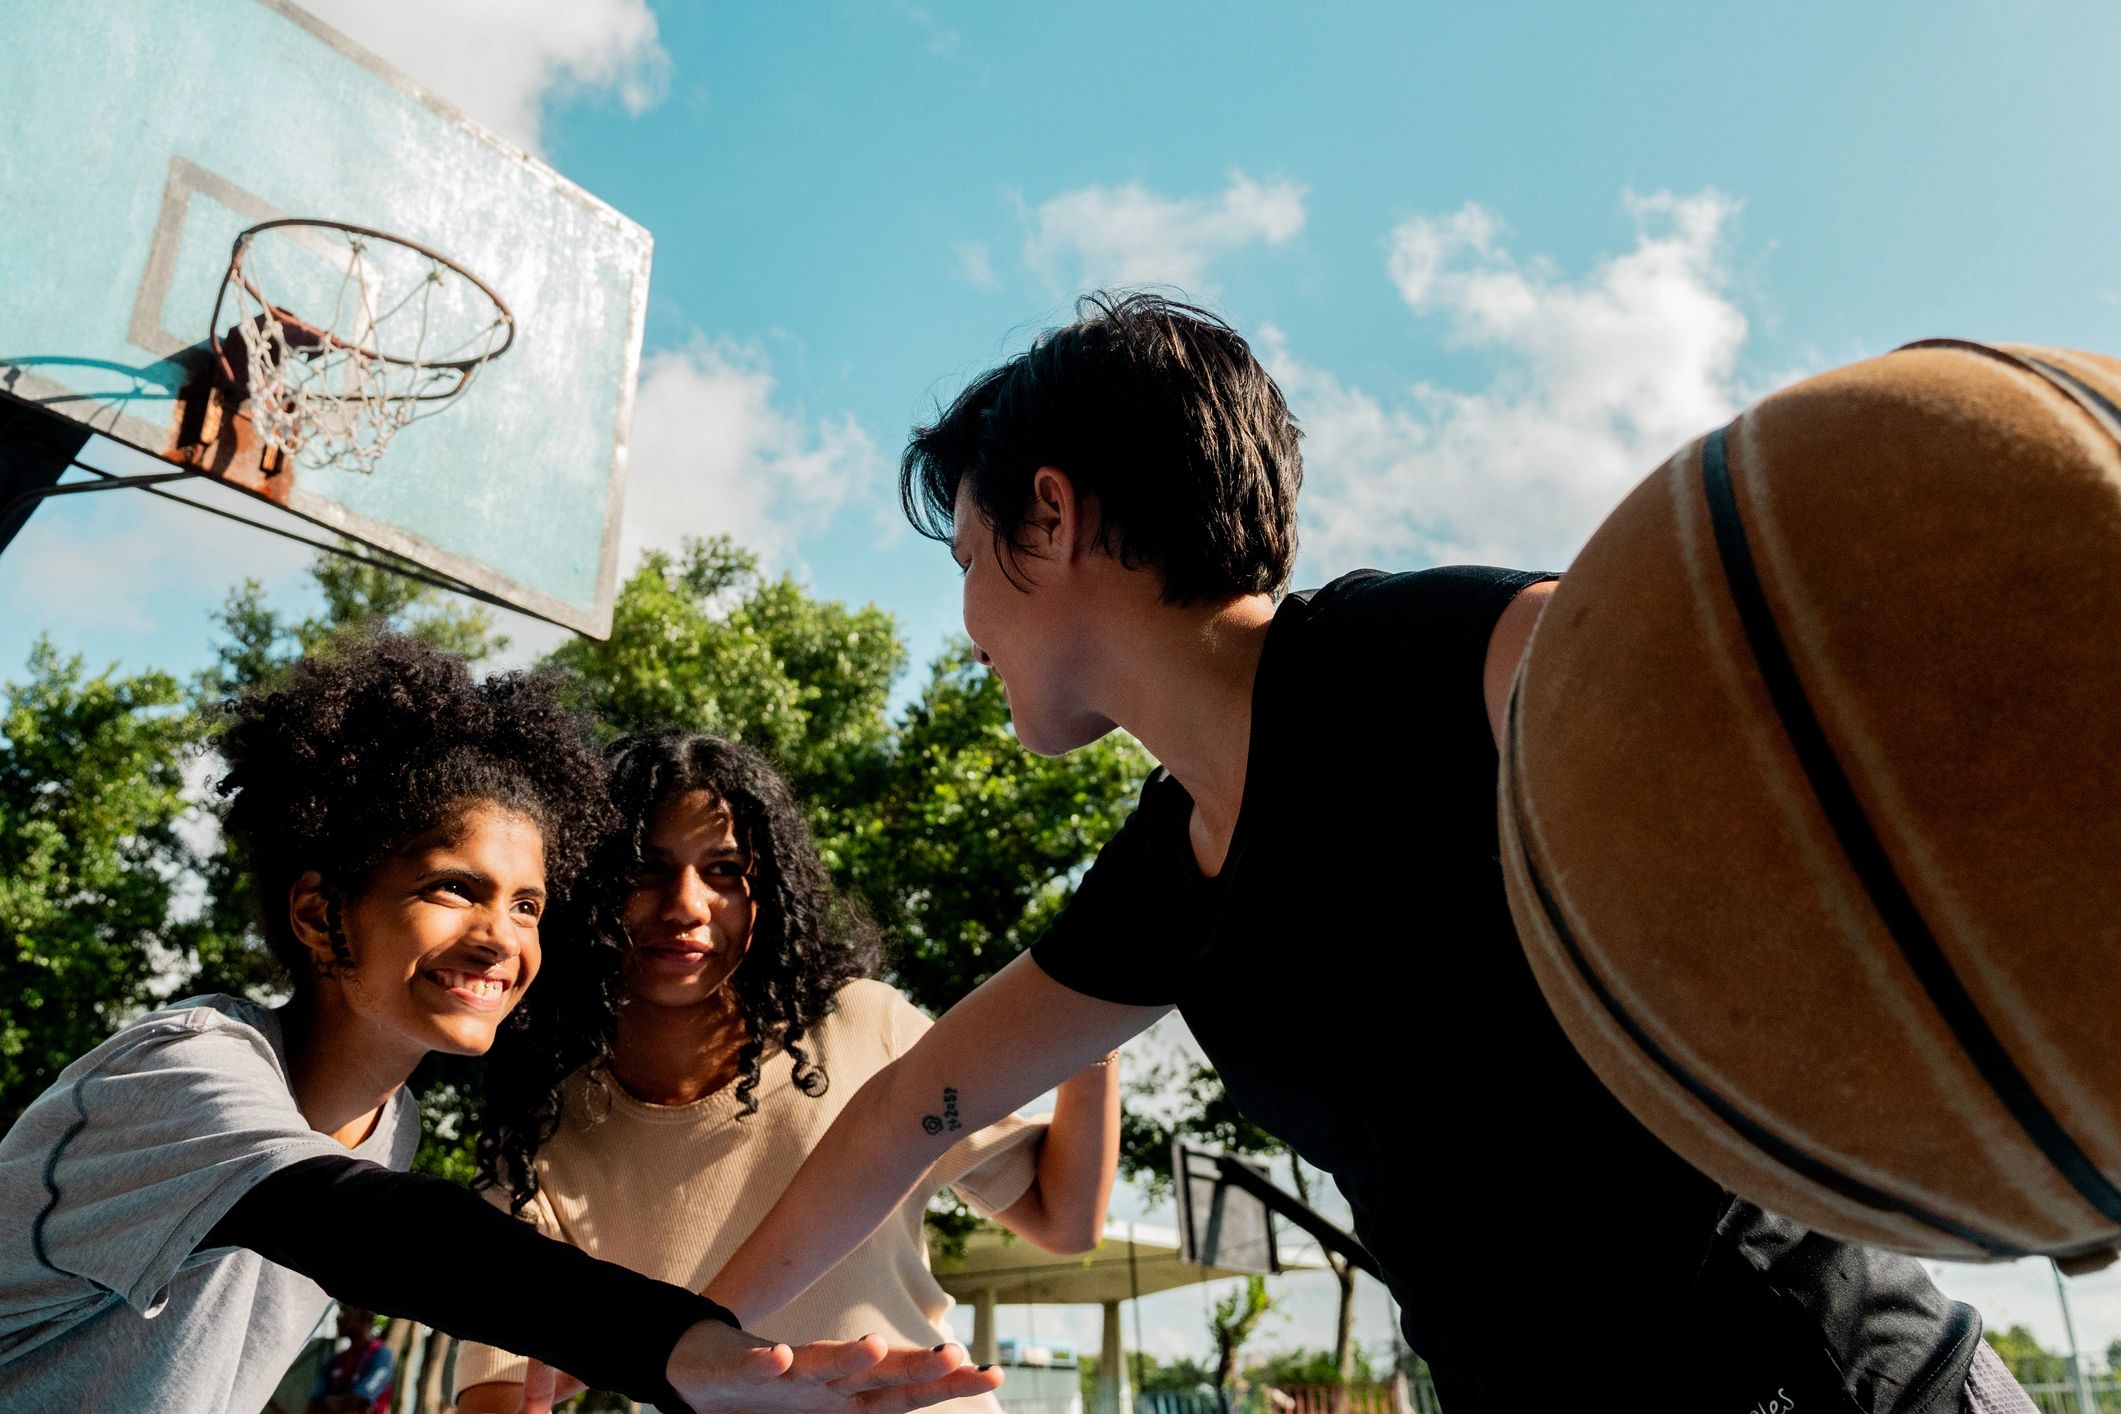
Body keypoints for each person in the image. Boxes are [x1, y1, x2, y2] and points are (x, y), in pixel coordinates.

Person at [695, 295, 2037, 1414]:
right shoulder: (1164, 881)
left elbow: (1727, 683)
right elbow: (897, 1118)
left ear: (1047, 515)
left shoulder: (1421, 658)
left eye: (970, 560)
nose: (970, 621)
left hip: (1845, 1384)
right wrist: (659, 1343)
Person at [0, 633, 1000, 1414]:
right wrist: (682, 1348)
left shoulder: (389, 1124)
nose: (498, 938)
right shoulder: (179, 1076)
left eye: (526, 905)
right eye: (452, 889)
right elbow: (386, 1234)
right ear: (317, 912)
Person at [453, 731, 1120, 1413]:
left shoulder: (866, 1025)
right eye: (645, 870)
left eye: (724, 870)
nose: (685, 906)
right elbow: (502, 1388)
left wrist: (1093, 1025)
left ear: (766, 890)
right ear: (583, 885)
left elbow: (1062, 1222)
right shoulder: (545, 1114)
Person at [308, 1306, 394, 1414]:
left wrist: (332, 1403)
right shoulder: (337, 1360)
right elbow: (313, 1406)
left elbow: (358, 1401)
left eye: (344, 1312)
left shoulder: (381, 1355)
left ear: (363, 1316)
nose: (338, 1318)